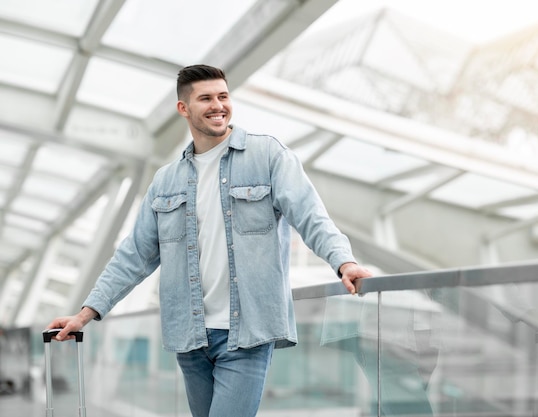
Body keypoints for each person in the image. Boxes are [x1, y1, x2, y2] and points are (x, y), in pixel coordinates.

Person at [46, 64, 373, 417]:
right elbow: (134, 255)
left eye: (223, 96)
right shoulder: (166, 181)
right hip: (191, 338)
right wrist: (85, 314)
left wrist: (344, 261)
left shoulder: (268, 156)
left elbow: (311, 216)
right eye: (206, 98)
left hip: (246, 334)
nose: (218, 105)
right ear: (183, 108)